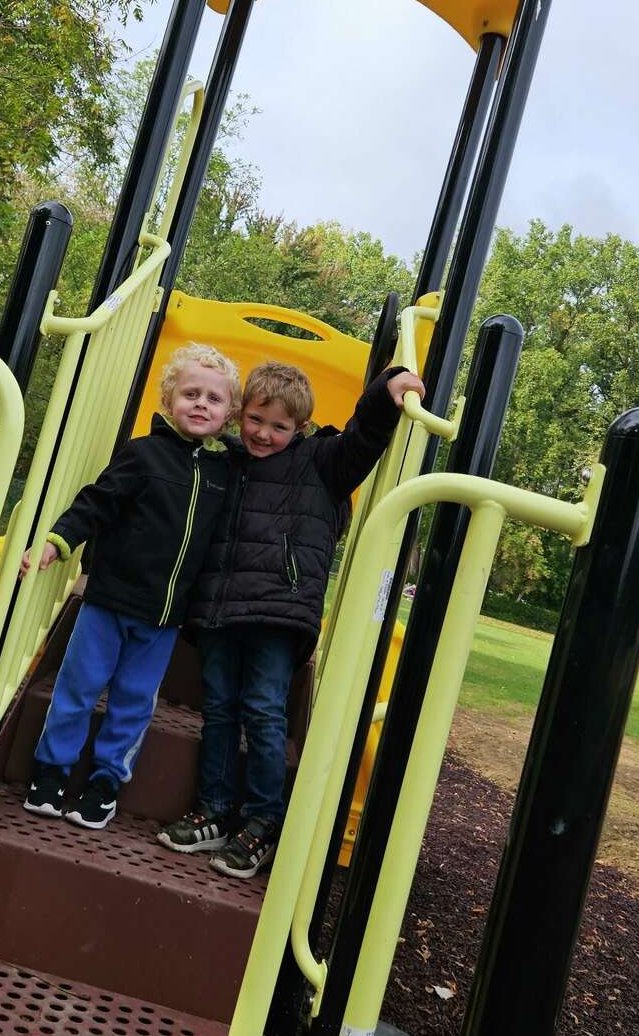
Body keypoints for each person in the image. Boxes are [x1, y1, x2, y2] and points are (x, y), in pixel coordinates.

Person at [157, 358, 424, 877]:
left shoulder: (320, 463)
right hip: (220, 608)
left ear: (299, 428)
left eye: (279, 427)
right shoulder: (224, 460)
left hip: (279, 614)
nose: (263, 434)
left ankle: (262, 821)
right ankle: (212, 809)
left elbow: (363, 438)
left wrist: (385, 387)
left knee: (262, 709)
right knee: (219, 708)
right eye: (256, 420)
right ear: (239, 415)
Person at [22, 342, 239, 831]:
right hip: (109, 602)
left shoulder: (225, 474)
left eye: (214, 398)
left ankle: (104, 783)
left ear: (229, 414)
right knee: (78, 688)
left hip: (164, 619)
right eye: (191, 393)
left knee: (134, 703)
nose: (201, 404)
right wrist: (58, 542)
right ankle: (51, 771)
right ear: (169, 400)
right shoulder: (143, 455)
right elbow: (96, 501)